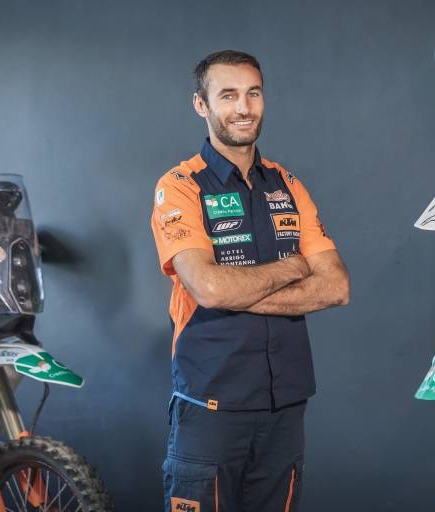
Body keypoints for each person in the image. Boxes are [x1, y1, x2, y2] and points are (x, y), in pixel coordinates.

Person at [151, 50, 350, 512]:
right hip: (210, 403)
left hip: (285, 405)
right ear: (201, 104)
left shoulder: (287, 185)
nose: (243, 108)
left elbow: (336, 287)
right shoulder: (180, 186)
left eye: (253, 93)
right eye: (228, 95)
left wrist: (234, 291)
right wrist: (292, 269)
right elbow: (208, 288)